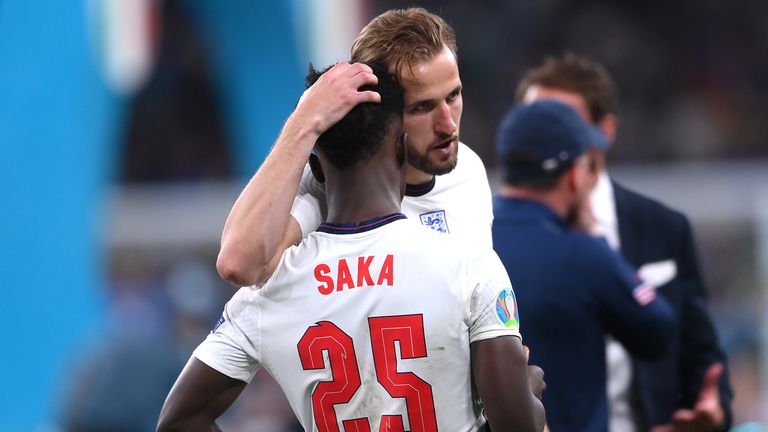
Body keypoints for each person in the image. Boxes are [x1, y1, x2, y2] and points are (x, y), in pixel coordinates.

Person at [157, 64, 546, 432]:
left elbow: (178, 421)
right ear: (401, 149)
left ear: (318, 169)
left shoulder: (266, 293)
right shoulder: (469, 265)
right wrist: (527, 393)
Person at [516, 54, 733, 431]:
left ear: (606, 131)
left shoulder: (663, 228)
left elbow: (702, 357)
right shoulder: (494, 238)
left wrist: (715, 411)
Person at [215, 7, 493, 288]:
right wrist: (303, 121)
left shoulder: (470, 170)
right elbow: (237, 264)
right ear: (380, 111)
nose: (448, 125)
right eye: (422, 107)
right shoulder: (333, 187)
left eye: (453, 96)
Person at [491, 100, 676, 432]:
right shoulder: (584, 255)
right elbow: (658, 331)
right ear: (574, 175)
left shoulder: (469, 239)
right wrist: (597, 239)